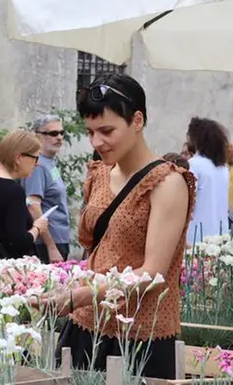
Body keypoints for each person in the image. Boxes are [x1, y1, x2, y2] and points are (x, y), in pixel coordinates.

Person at [42, 74, 193, 379]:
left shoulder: (168, 183)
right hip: (85, 325)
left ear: (137, 120)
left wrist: (83, 295)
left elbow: (153, 273)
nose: (97, 142)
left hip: (141, 335)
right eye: (90, 132)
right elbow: (96, 252)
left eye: (107, 131)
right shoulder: (99, 174)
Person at [0, 130, 60, 260]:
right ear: (19, 158)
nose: (37, 164)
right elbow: (19, 242)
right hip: (4, 267)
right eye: (35, 158)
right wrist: (37, 228)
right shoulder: (14, 190)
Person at [23, 114, 72, 263]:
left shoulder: (49, 163)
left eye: (61, 133)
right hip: (46, 244)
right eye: (53, 133)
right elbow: (33, 206)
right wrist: (51, 247)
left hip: (59, 239)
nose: (59, 137)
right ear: (37, 136)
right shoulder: (37, 166)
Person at [186, 117, 230, 244]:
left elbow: (188, 201)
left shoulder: (194, 165)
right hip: (220, 235)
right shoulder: (223, 168)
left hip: (197, 236)